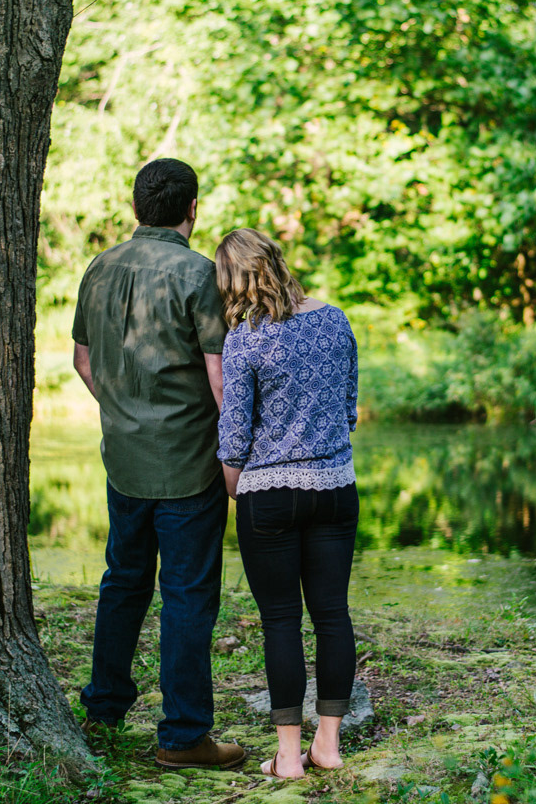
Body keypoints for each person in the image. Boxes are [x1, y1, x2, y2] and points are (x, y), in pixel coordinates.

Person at [72, 158, 245, 771]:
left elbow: (83, 361)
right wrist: (238, 457)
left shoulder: (100, 266)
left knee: (123, 582)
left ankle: (103, 711)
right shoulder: (199, 274)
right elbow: (221, 379)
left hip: (123, 459)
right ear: (192, 209)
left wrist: (126, 413)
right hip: (189, 465)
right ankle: (183, 737)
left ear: (137, 207)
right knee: (188, 596)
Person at [215, 228, 360, 780]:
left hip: (268, 495)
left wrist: (237, 488)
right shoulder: (335, 320)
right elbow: (348, 408)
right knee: (332, 615)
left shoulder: (245, 338)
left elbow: (234, 436)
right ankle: (328, 746)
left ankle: (287, 757)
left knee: (281, 621)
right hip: (335, 488)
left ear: (232, 282)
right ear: (276, 261)